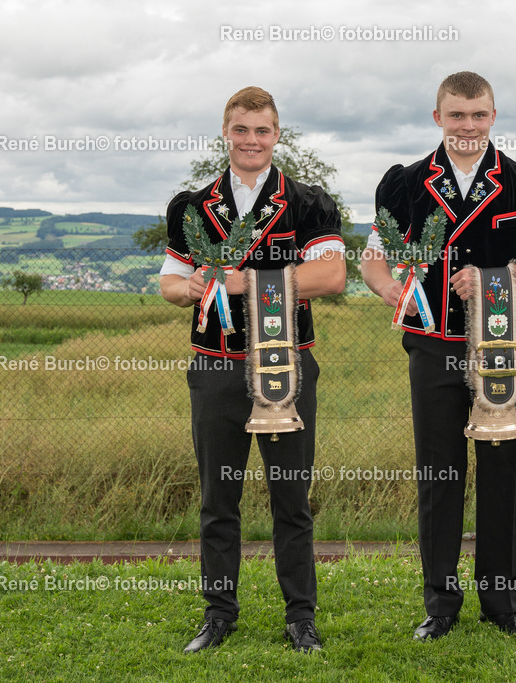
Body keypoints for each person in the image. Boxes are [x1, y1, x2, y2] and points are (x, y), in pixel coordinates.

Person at [361, 71, 516, 641]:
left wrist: (498, 278)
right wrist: (389, 290)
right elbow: (374, 259)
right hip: (433, 350)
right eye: (457, 115)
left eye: (479, 115)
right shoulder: (403, 183)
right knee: (439, 475)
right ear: (438, 119)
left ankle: (503, 607)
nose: (468, 126)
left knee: (503, 474)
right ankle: (441, 605)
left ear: (493, 117)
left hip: (504, 348)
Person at [159, 86, 345, 653]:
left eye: (262, 131)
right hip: (215, 365)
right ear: (226, 132)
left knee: (291, 498)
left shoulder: (309, 201)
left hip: (286, 366)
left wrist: (250, 282)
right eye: (241, 130)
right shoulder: (192, 205)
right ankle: (218, 614)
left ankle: (300, 619)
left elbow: (332, 276)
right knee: (219, 499)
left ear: (277, 136)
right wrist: (187, 286)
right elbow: (168, 283)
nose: (251, 141)